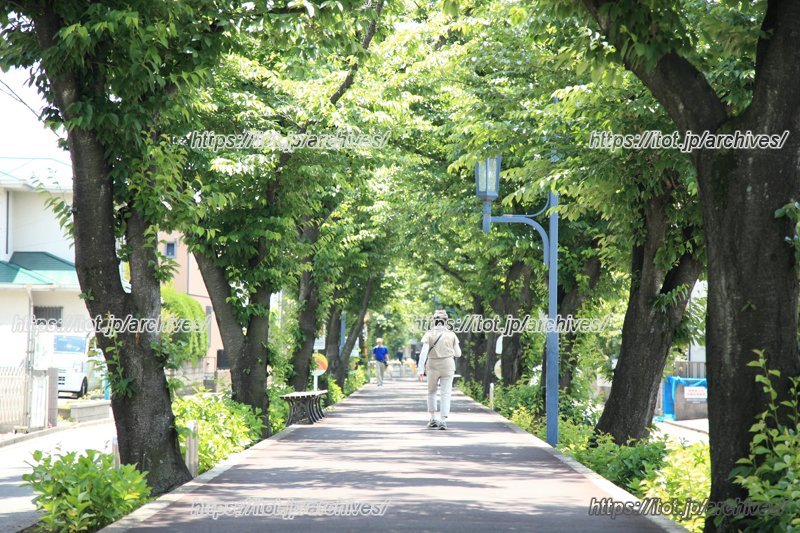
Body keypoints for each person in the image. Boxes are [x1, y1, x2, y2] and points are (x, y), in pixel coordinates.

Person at [417, 309, 461, 430]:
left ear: (434, 321)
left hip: (432, 366)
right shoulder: (452, 334)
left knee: (431, 391)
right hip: (448, 365)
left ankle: (432, 418)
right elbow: (458, 354)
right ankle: (443, 420)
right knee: (445, 393)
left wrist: (420, 370)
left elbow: (423, 353)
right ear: (446, 321)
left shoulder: (429, 334)